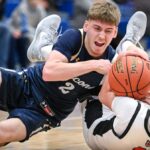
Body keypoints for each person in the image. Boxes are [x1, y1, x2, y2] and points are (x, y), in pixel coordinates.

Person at [0, 0, 148, 146]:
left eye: (108, 31)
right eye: (97, 28)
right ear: (86, 26)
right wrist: (93, 65)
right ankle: (42, 48)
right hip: (26, 83)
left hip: (45, 112)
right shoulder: (75, 38)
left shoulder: (112, 66)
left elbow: (110, 95)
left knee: (4, 133)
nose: (102, 36)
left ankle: (127, 42)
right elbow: (49, 72)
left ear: (115, 32)